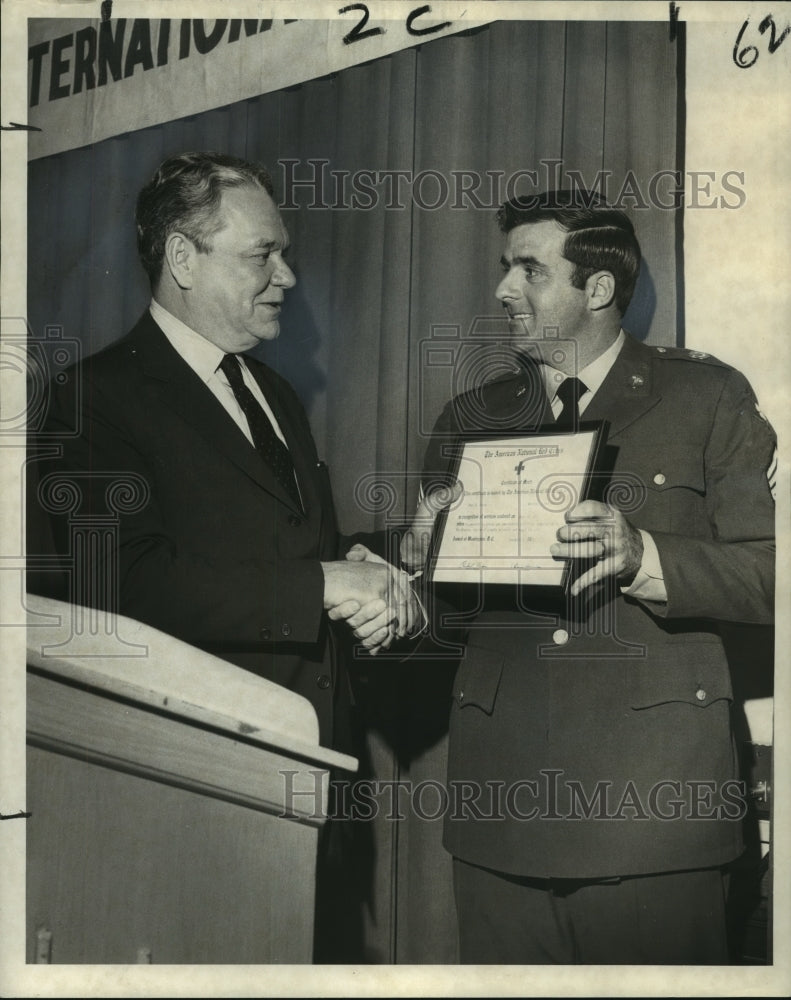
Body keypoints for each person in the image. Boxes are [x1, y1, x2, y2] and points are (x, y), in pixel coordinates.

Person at [28, 151, 417, 960]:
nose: (288, 276)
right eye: (261, 255)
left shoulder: (272, 393)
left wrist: (384, 560)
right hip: (189, 789)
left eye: (283, 252)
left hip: (310, 779)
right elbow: (124, 588)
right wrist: (323, 583)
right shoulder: (94, 397)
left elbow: (288, 558)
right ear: (181, 258)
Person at [401, 191, 776, 964]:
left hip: (653, 812)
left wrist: (647, 557)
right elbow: (445, 624)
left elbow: (769, 573)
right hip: (501, 810)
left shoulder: (705, 397)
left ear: (597, 289)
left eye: (529, 271)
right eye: (505, 269)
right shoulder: (468, 418)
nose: (504, 290)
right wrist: (420, 564)